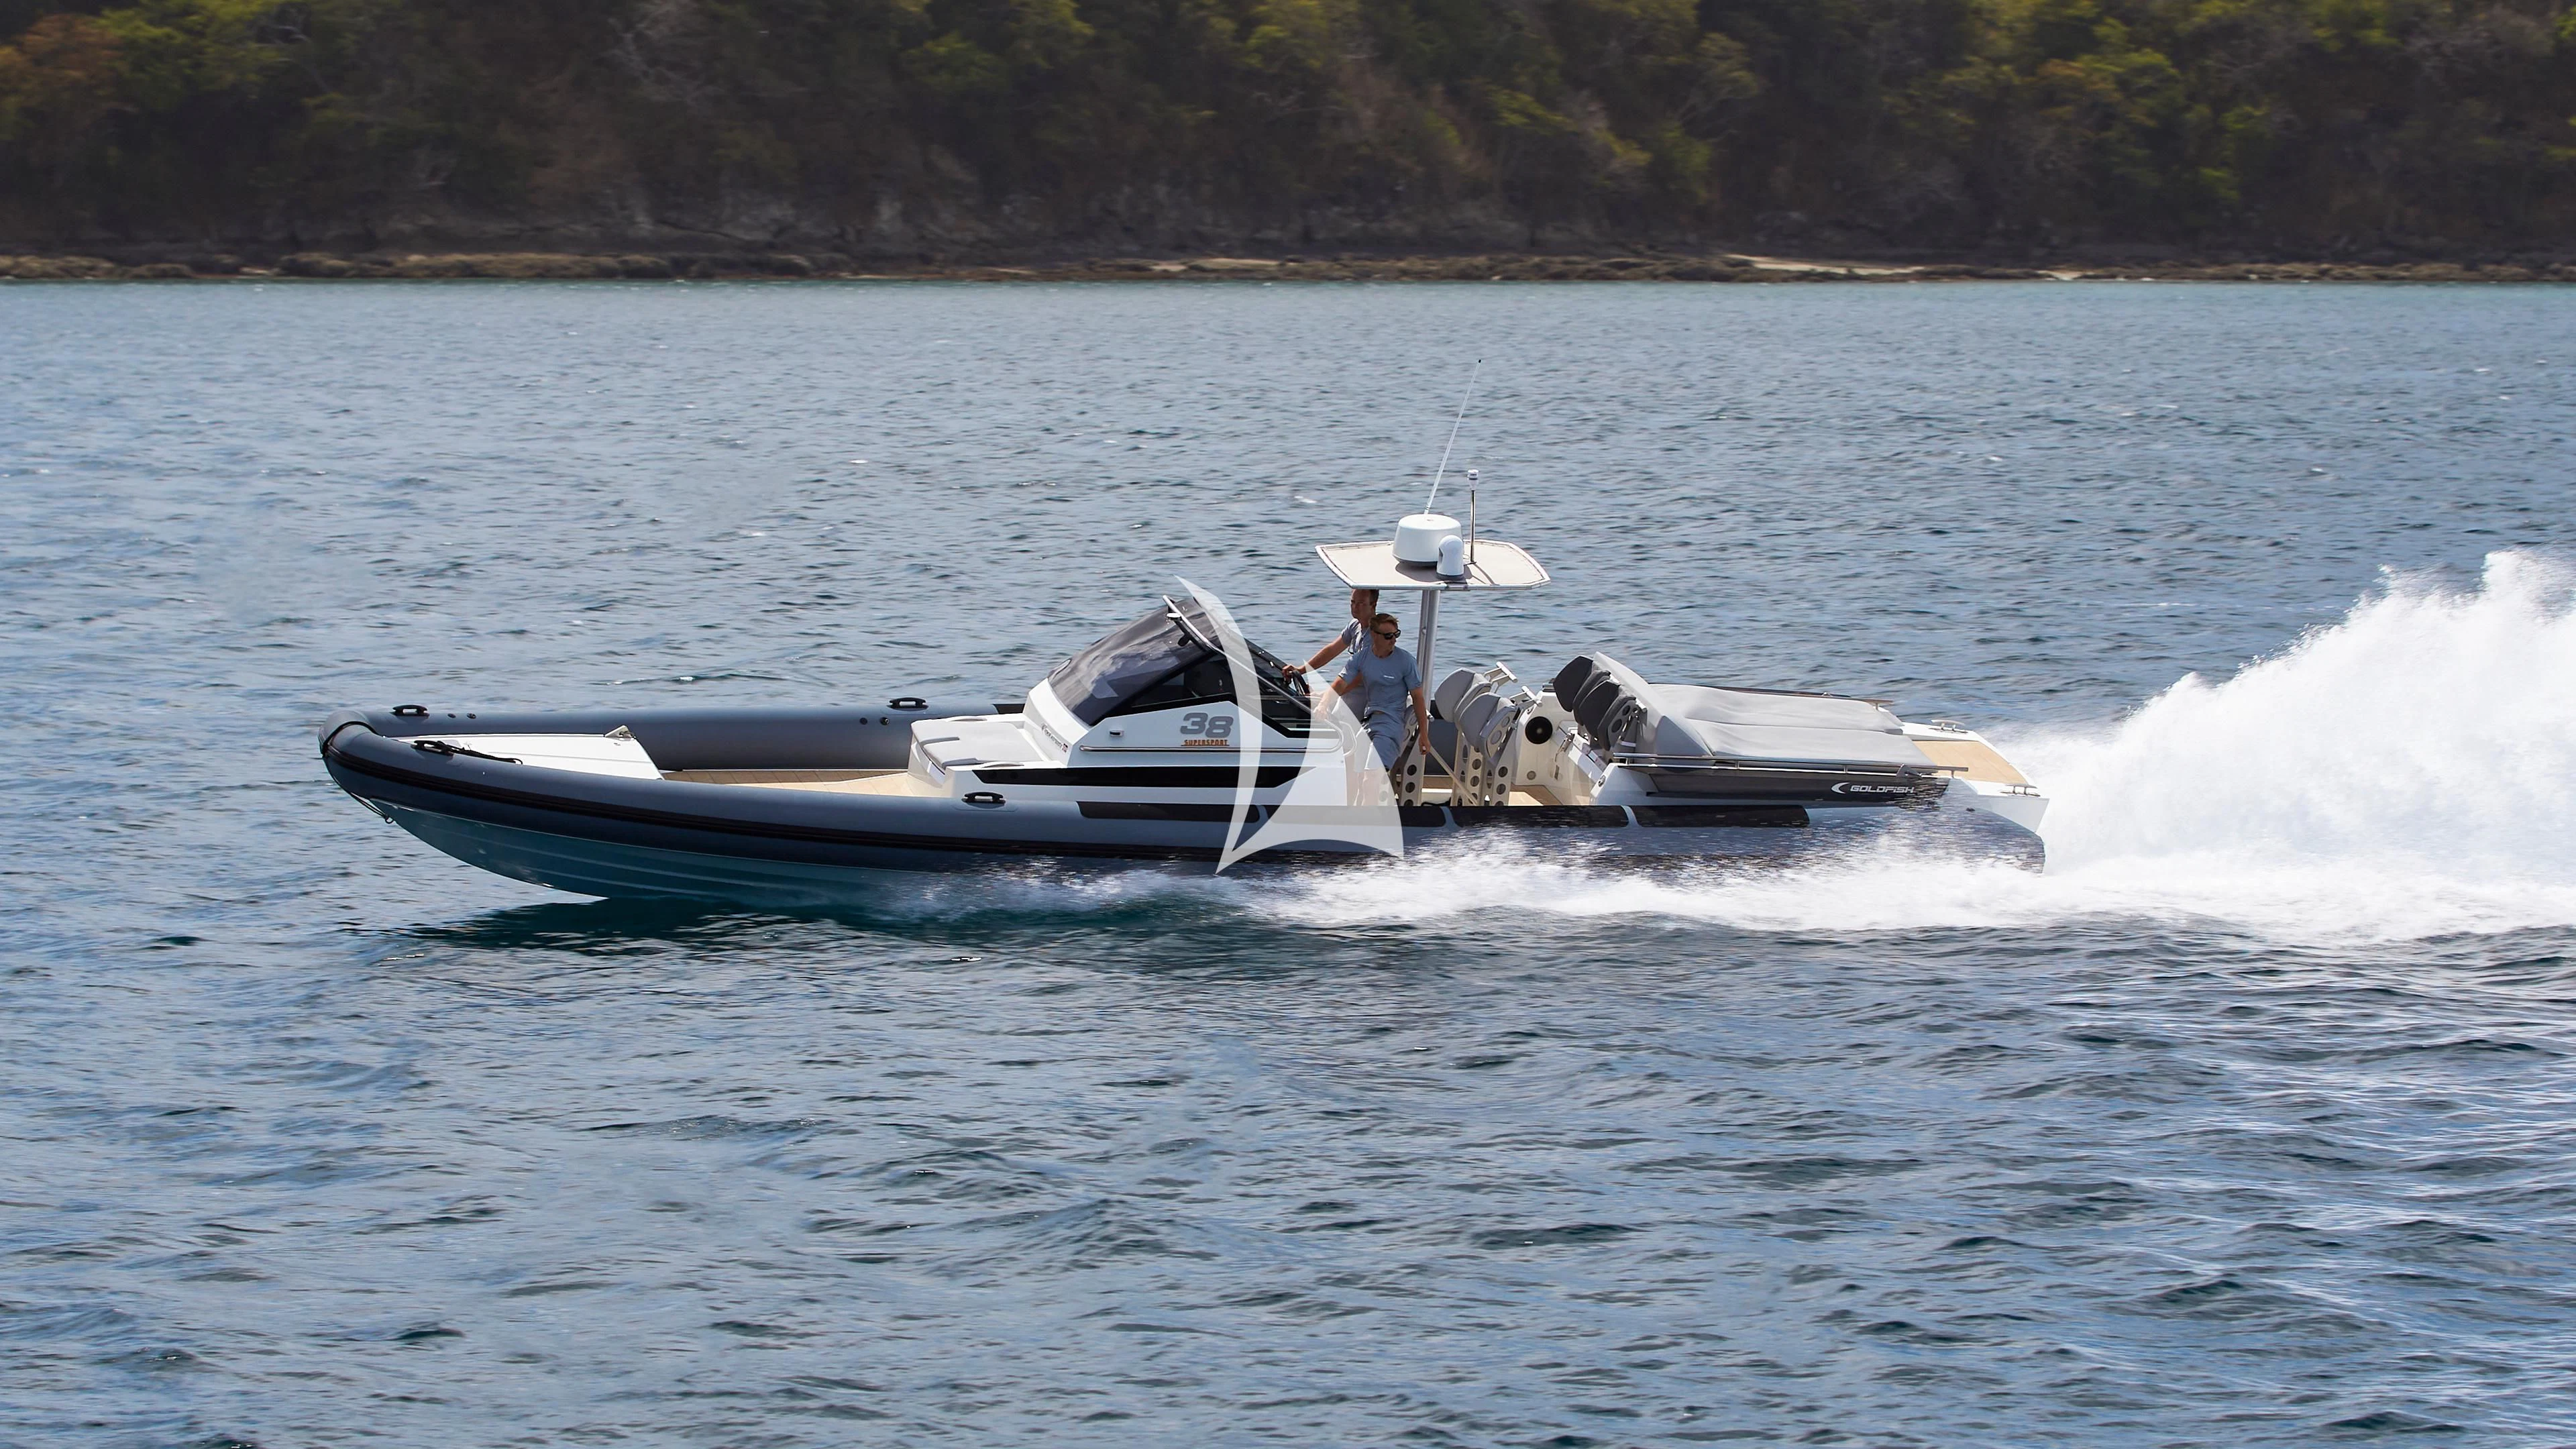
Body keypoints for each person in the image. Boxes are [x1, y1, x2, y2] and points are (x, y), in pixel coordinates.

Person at [1329, 611, 1429, 776]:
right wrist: (1324, 702)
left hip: (1390, 725)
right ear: (1374, 635)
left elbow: (1418, 698)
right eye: (1389, 636)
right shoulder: (1362, 657)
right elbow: (1341, 682)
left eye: (1396, 635)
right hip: (1369, 721)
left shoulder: (1405, 661)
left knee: (1371, 778)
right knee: (1352, 776)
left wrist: (1424, 735)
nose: (1394, 640)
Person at [1281, 588, 1379, 682]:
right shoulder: (1355, 625)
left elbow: (1360, 678)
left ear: (1373, 605)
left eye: (1361, 603)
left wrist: (1328, 694)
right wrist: (1301, 670)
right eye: (1353, 602)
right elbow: (1332, 650)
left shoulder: (1375, 636)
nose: (1355, 607)